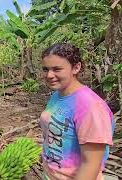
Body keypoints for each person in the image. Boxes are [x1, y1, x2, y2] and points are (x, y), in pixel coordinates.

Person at [40, 43, 115, 180]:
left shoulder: (90, 106)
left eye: (57, 69)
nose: (49, 75)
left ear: (76, 67)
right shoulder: (57, 95)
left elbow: (91, 165)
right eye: (46, 69)